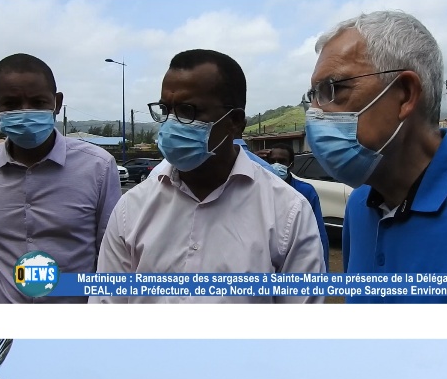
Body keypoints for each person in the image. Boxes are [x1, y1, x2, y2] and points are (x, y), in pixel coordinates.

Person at [307, 11, 447, 303]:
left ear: (405, 94)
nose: (315, 111)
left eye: (333, 89)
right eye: (313, 95)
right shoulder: (360, 206)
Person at [93, 49, 326, 303]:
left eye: (187, 110)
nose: (171, 123)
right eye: (165, 109)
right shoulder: (132, 208)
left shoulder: (287, 212)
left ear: (235, 121)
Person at [0, 53, 121, 303]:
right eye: (12, 104)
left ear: (57, 103)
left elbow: (111, 255)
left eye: (38, 102)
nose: (25, 114)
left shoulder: (97, 167)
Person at [265, 144, 330, 270]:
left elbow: (319, 233)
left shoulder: (305, 191)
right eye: (272, 161)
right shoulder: (261, 189)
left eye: (282, 161)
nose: (276, 165)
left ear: (291, 164)